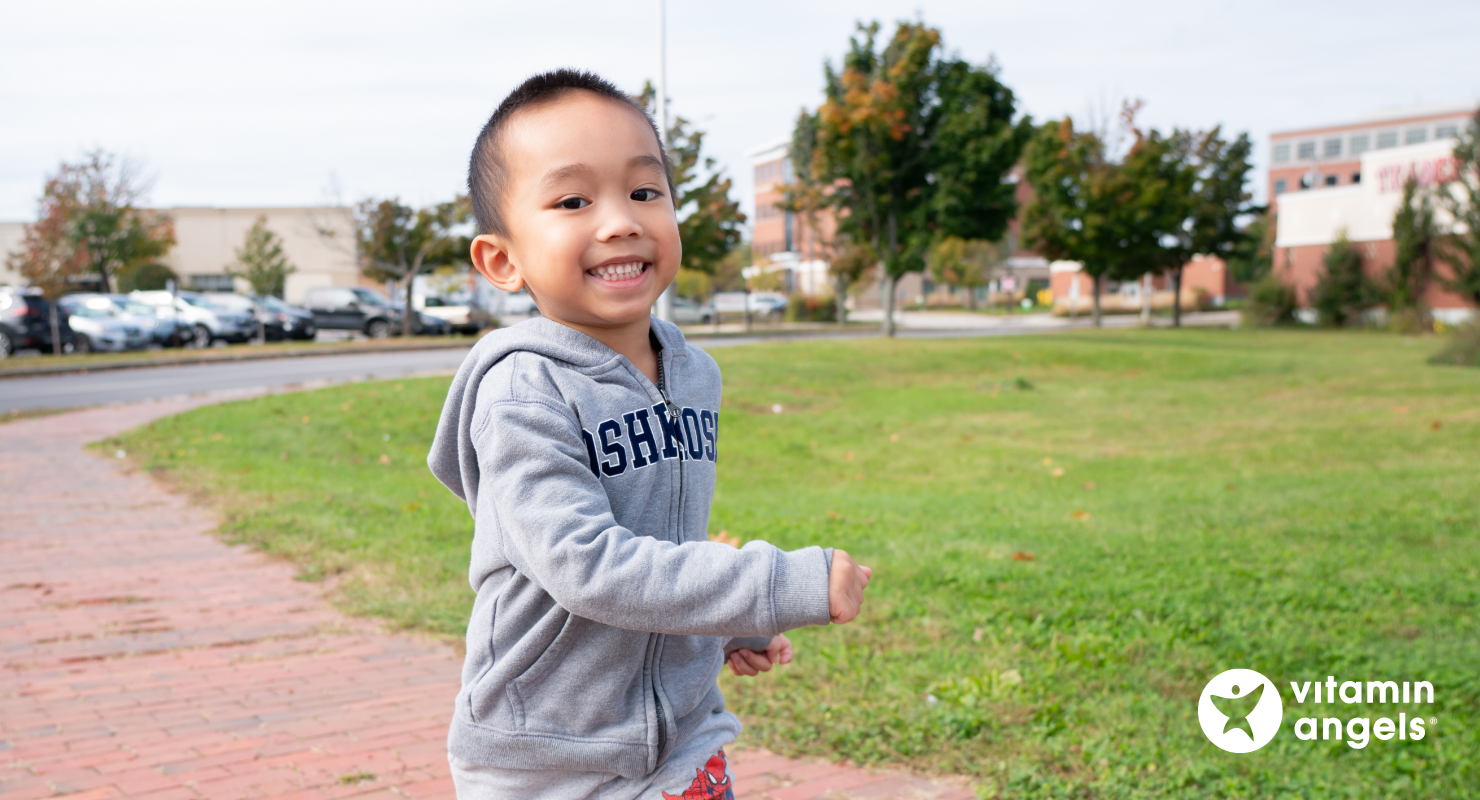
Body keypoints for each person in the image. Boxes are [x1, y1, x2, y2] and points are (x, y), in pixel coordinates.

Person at [427, 69, 873, 800]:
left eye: (644, 192)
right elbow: (589, 566)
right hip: (552, 758)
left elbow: (662, 540)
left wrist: (726, 625)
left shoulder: (694, 374)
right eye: (573, 200)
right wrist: (771, 585)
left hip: (683, 738)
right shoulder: (521, 391)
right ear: (502, 260)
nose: (621, 220)